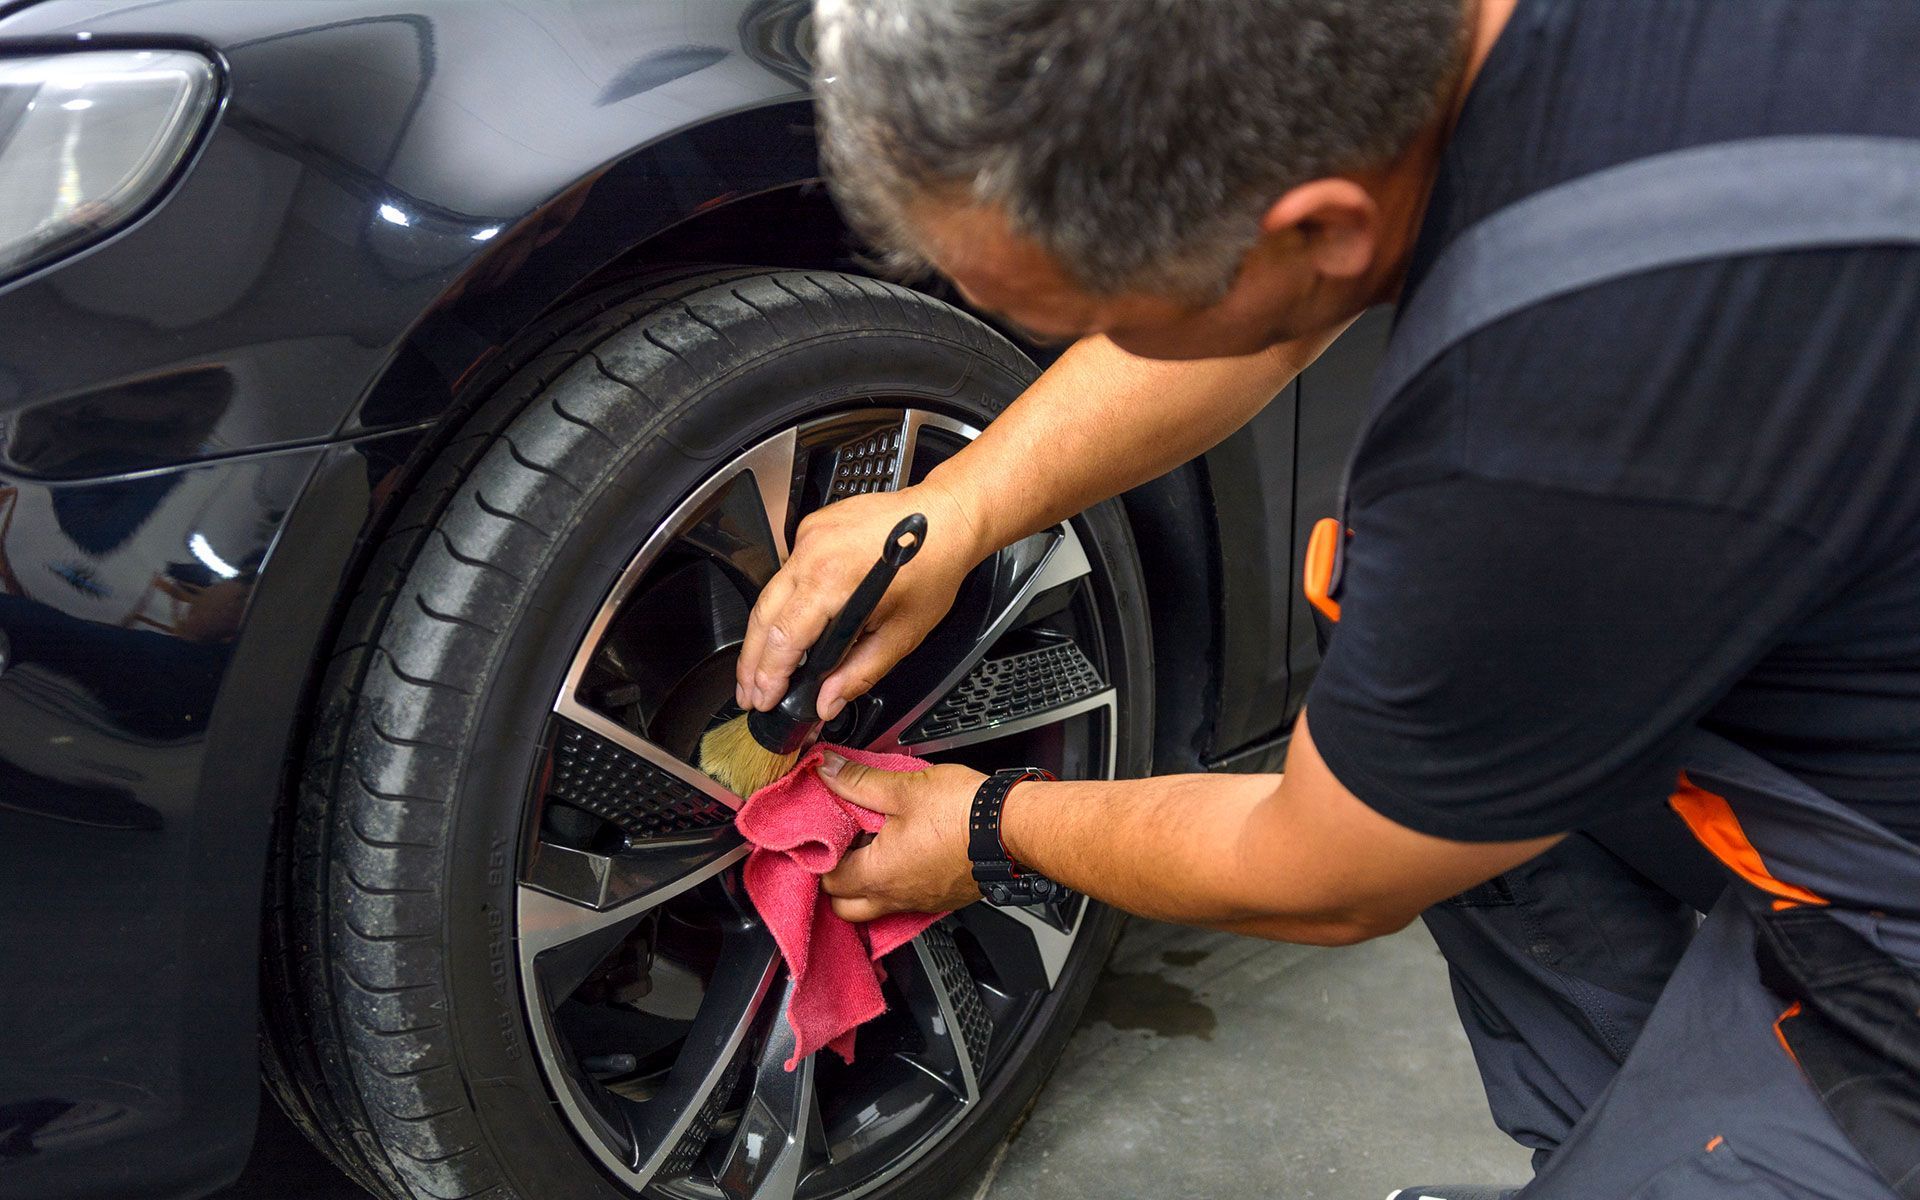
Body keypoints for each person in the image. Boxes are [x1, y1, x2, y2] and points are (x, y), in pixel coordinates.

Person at [737, 3, 1920, 1196]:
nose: (1094, 347)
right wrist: (968, 502)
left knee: (1394, 731)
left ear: (1320, 231)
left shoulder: (1543, 432)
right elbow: (1265, 290)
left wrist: (989, 829)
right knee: (1424, 713)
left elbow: (1328, 869)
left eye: (1112, 317)